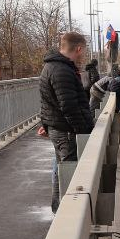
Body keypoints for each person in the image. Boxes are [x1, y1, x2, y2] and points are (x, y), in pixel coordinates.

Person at [39, 31, 94, 211]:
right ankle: (65, 212)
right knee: (68, 170)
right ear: (78, 48)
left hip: (60, 127)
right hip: (67, 130)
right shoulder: (61, 70)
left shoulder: (54, 66)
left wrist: (46, 123)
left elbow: (48, 101)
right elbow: (69, 106)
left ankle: (59, 209)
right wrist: (84, 131)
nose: (84, 54)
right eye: (84, 50)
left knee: (61, 169)